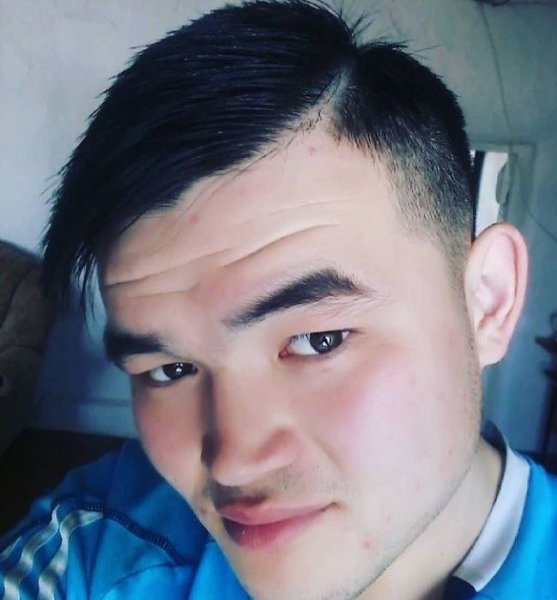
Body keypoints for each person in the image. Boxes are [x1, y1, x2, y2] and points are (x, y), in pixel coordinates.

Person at [1, 1, 556, 598]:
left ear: (486, 302)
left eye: (318, 340)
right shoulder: (94, 553)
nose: (234, 463)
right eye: (170, 369)